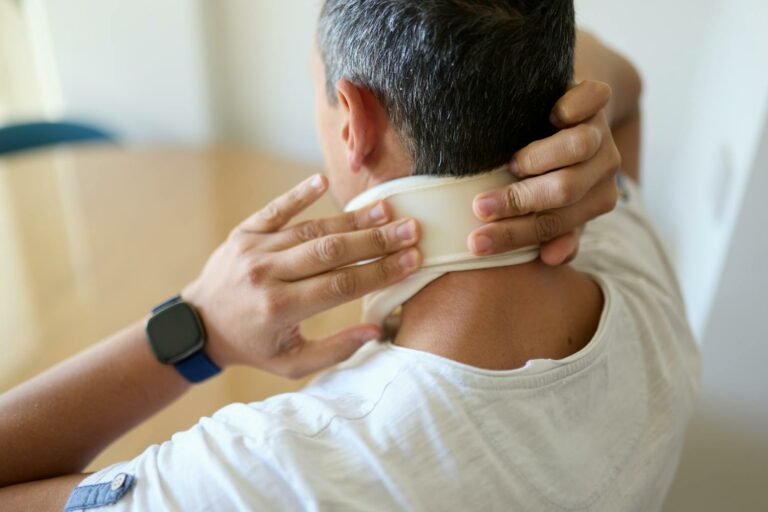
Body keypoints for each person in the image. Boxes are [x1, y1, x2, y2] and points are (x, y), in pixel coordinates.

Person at [0, 1, 699, 511]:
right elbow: (627, 88)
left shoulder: (282, 477)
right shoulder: (628, 259)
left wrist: (198, 328)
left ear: (354, 120)